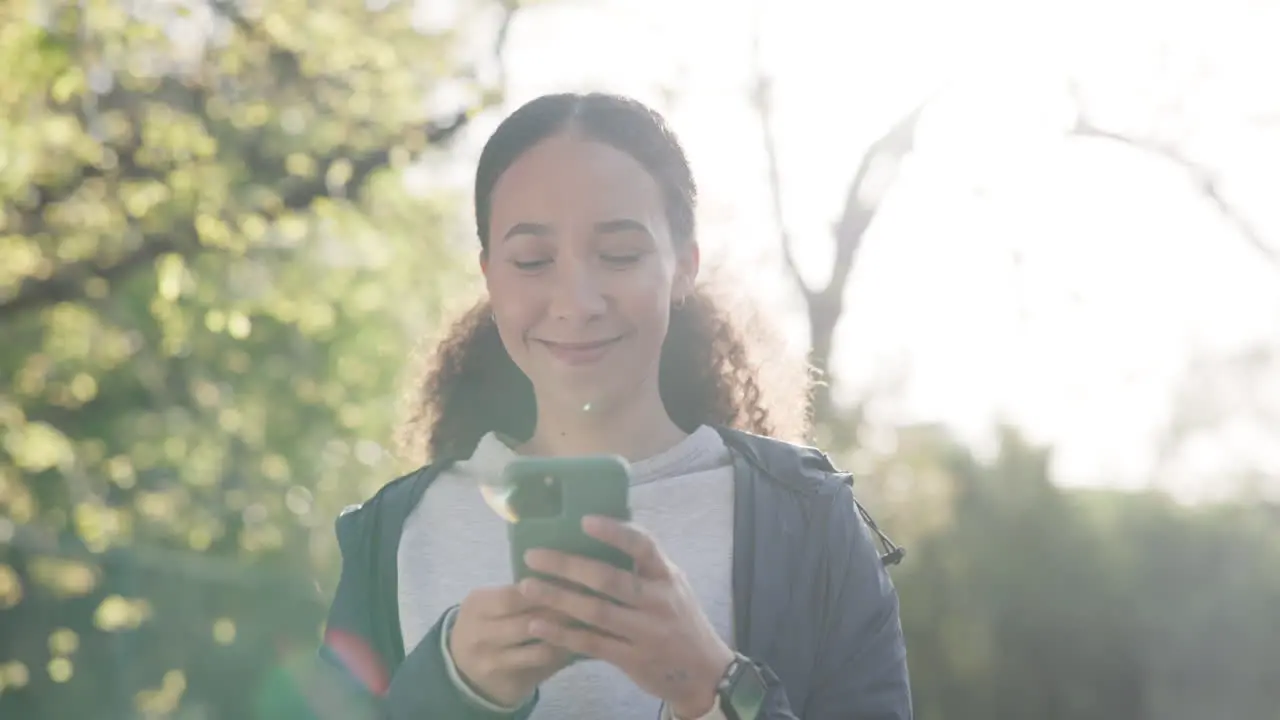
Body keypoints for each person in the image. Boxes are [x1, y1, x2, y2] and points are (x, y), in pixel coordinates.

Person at [316, 92, 912, 720]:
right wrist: (448, 689)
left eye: (620, 254)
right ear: (490, 277)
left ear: (684, 267)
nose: (576, 301)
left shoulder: (808, 521)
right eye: (532, 260)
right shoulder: (394, 535)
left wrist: (715, 689)